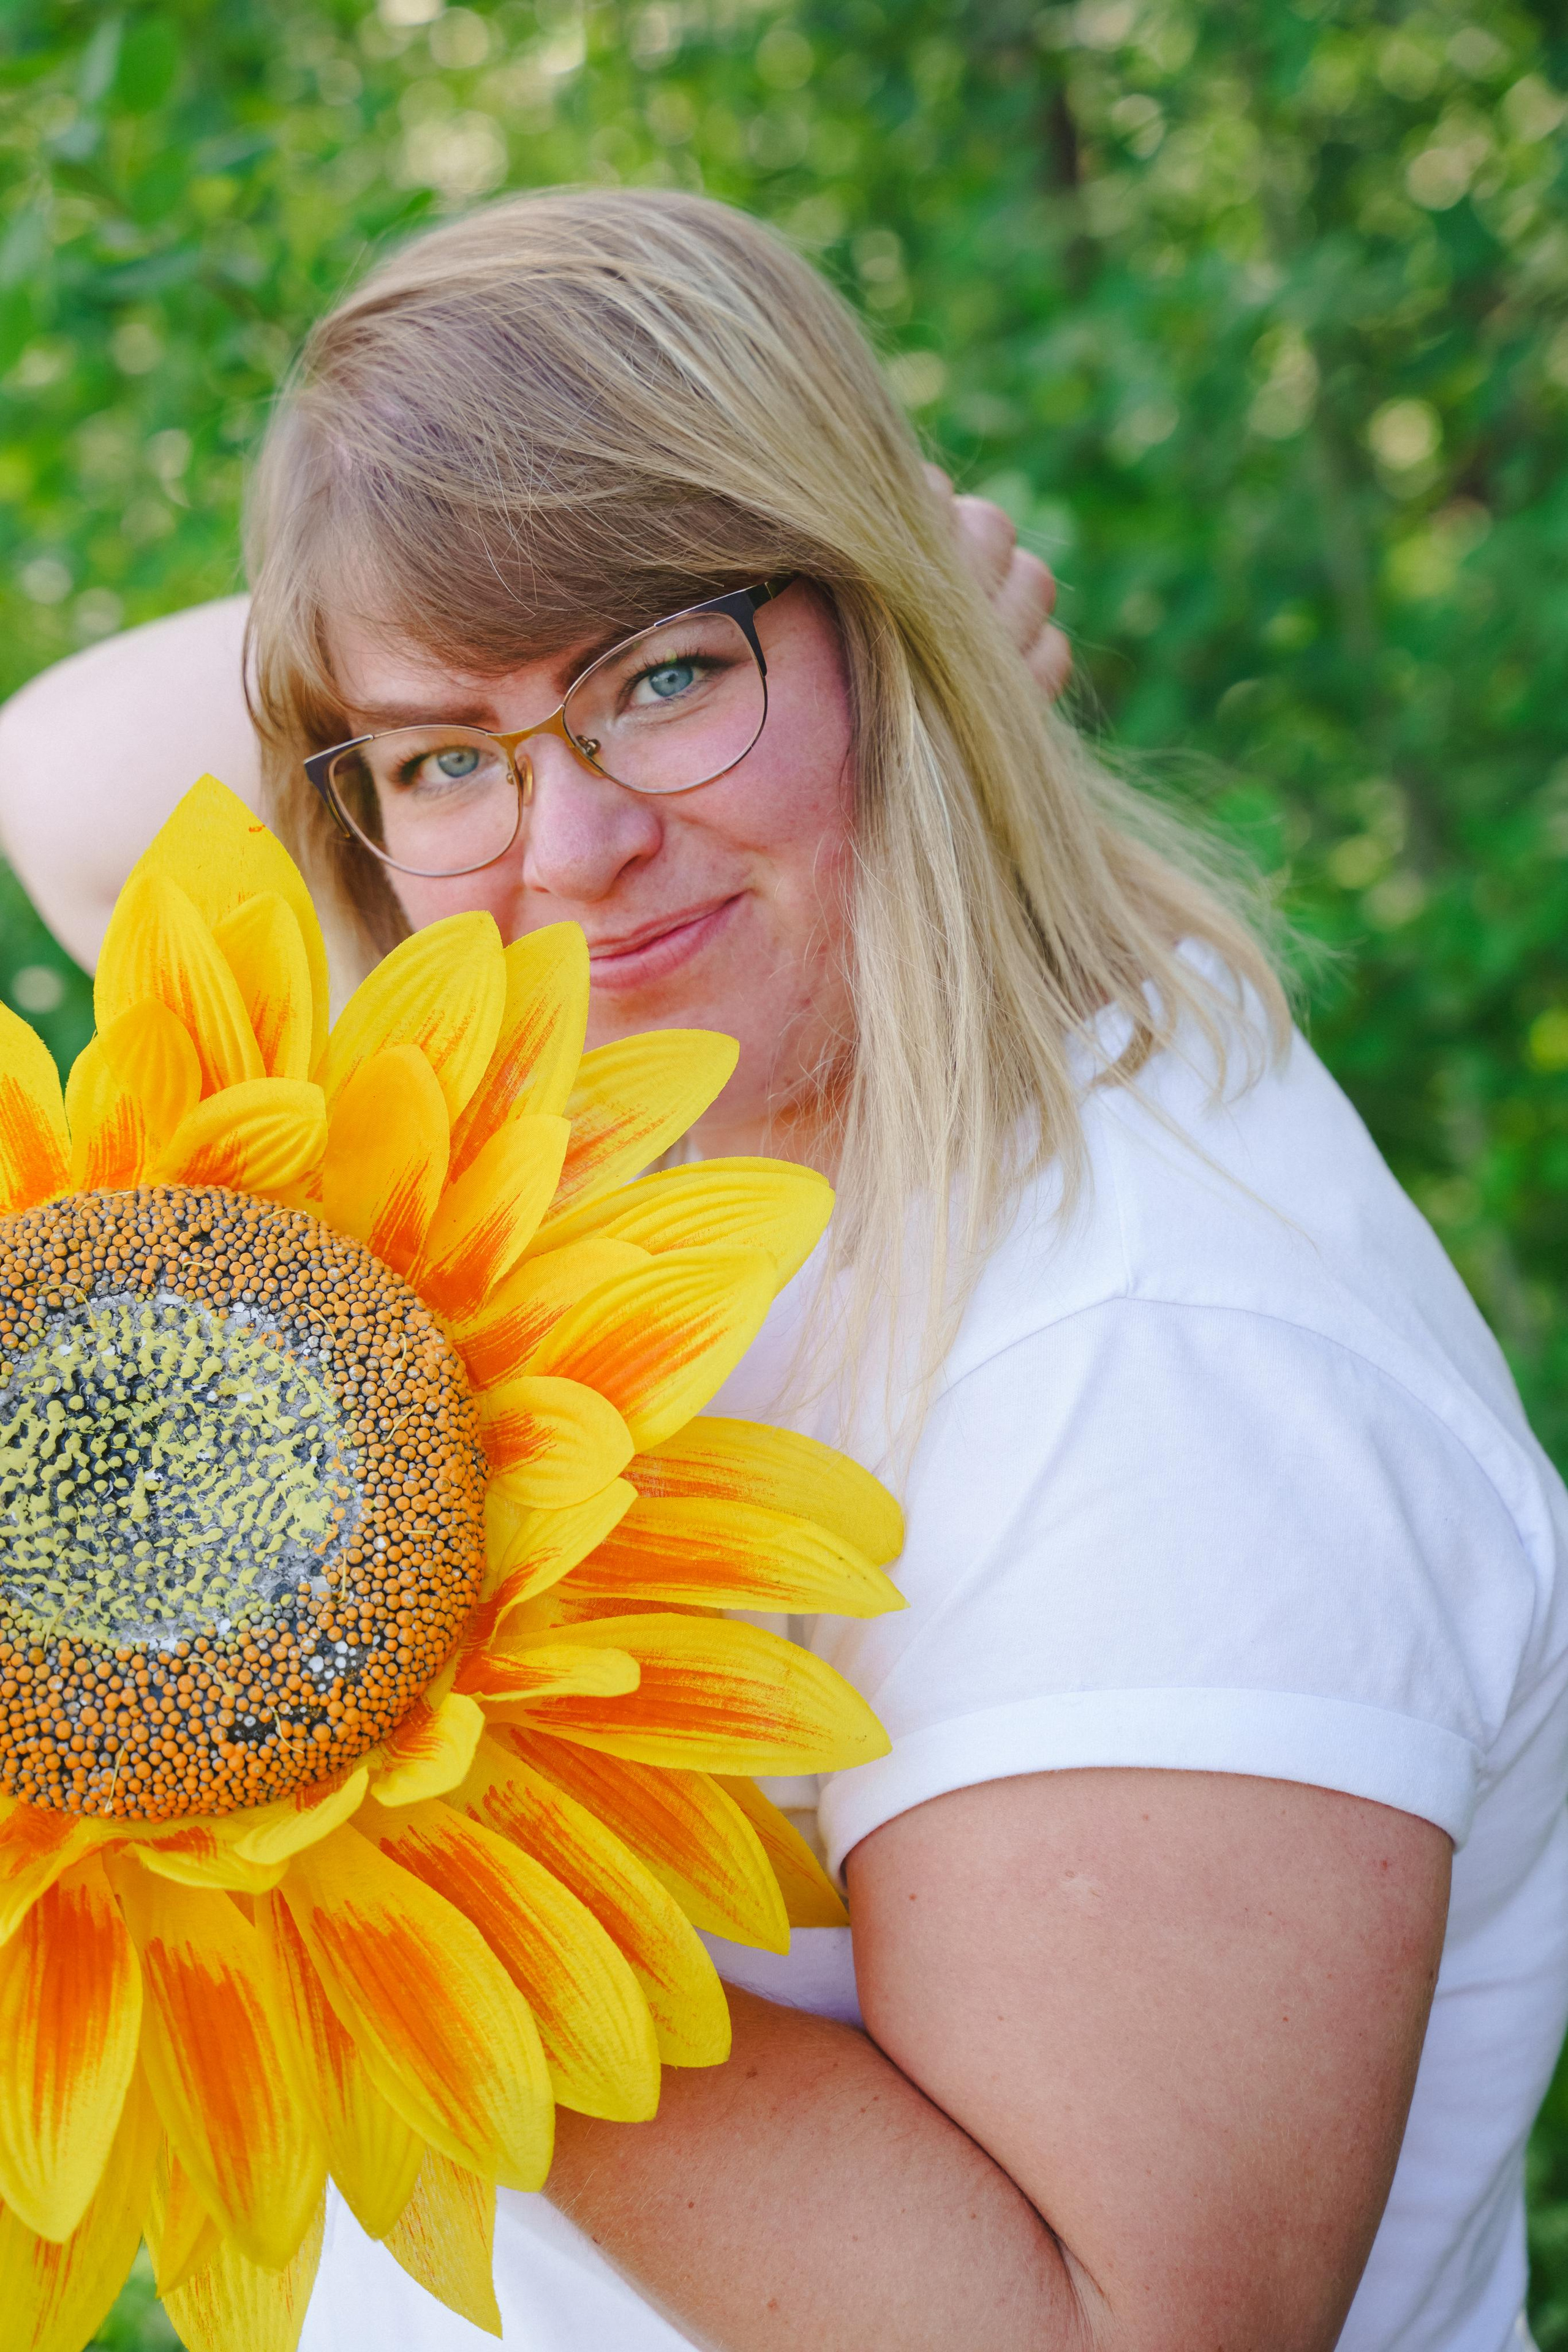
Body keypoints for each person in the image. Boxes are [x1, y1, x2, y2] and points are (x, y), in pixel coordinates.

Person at [2, 187, 1563, 2352]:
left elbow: (1112, 2334)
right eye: (451, 753)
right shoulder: (585, 1062)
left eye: (665, 676)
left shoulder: (1157, 1370)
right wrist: (645, 588)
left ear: (884, 643)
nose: (568, 844)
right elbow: (62, 778)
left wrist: (369, 1866)